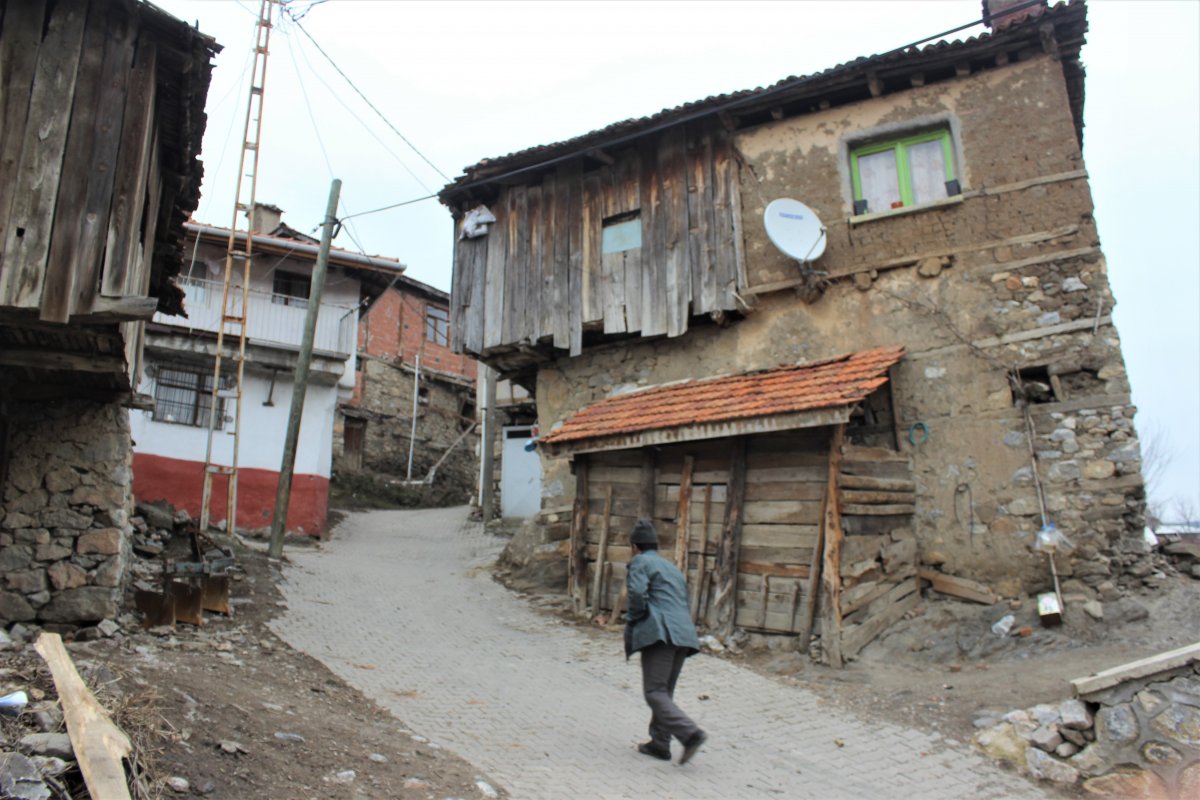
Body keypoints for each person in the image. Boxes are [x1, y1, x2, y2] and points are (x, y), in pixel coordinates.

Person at [624, 518, 707, 765]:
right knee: (664, 691)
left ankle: (690, 733)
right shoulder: (670, 567)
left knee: (653, 692)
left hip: (661, 633)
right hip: (684, 634)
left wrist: (636, 619)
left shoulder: (640, 561)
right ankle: (660, 744)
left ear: (635, 547)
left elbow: (637, 594)